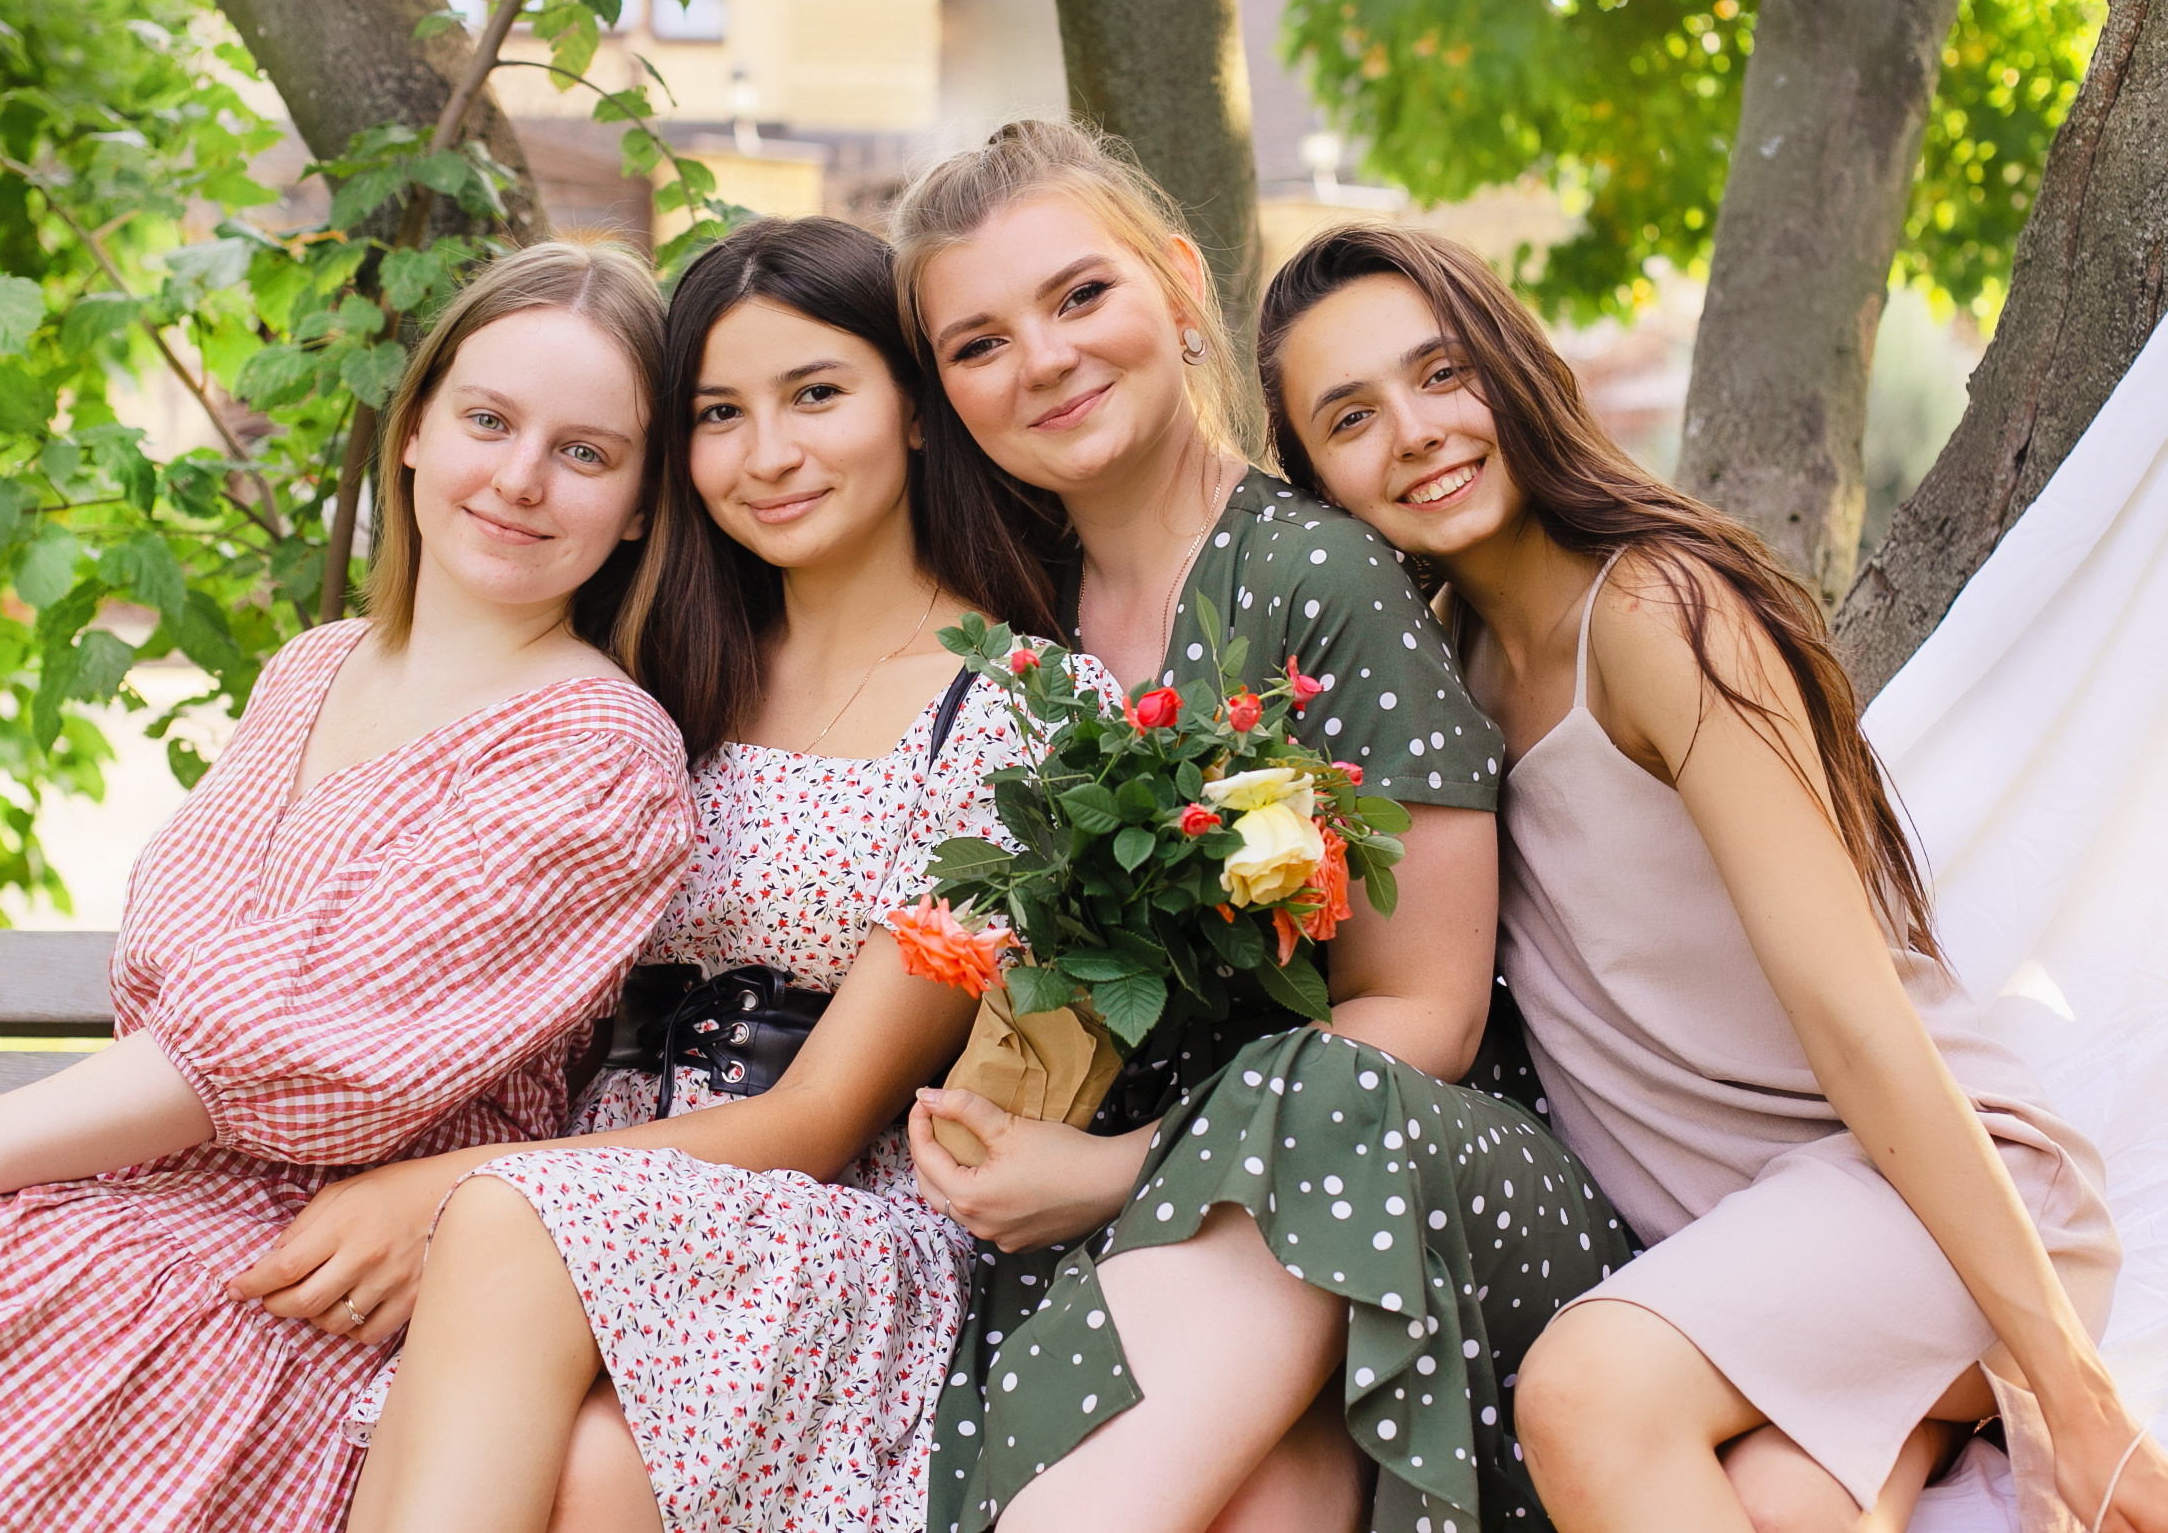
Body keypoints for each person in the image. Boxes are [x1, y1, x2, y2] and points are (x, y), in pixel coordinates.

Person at [0, 241, 699, 1533]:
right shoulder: (311, 673)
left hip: (307, 1301)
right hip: (136, 1218)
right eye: (488, 419)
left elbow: (282, 1044)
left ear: (644, 507)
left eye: (586, 454)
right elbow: (188, 991)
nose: (521, 479)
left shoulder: (597, 755)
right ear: (417, 428)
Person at [1259, 219, 2165, 1533]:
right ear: (1323, 484)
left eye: (1442, 372)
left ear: (1512, 368)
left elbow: (1854, 1012)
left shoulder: (1655, 614)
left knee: (1583, 1392)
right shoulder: (1434, 692)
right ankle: (1922, 1428)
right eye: (1350, 417)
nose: (1414, 431)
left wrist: (2074, 1393)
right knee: (1776, 1507)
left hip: (1932, 1201)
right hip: (1757, 1267)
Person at [234, 215, 1097, 1533]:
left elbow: (821, 1117)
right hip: (568, 1210)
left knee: (533, 1333)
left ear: (916, 410)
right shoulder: (657, 676)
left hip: (814, 1223)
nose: (770, 456)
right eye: (718, 415)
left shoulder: (1018, 713)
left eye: (817, 394)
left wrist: (458, 1195)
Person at [892, 118, 1628, 1533]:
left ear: (1178, 287)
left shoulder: (1317, 580)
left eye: (1079, 296)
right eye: (976, 345)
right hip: (1138, 1217)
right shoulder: (1008, 619)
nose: (1041, 360)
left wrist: (1114, 1167)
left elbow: (1426, 1012)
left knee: (1315, 1112)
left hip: (1382, 1170)